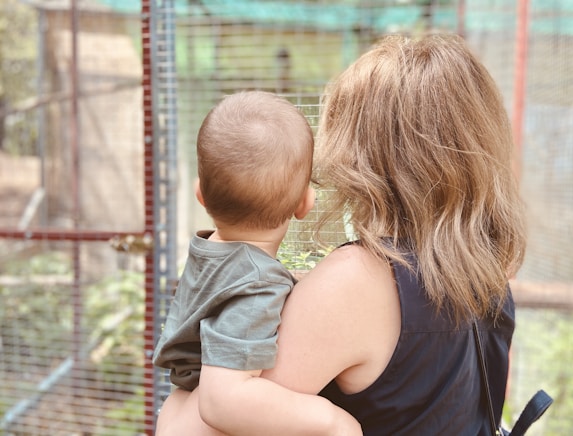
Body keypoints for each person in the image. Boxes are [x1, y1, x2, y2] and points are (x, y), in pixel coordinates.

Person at [156, 34, 526, 435]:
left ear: (362, 151)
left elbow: (194, 426)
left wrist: (177, 397)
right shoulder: (489, 273)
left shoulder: (358, 279)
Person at [153, 90, 362, 435]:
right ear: (305, 204)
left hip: (178, 405)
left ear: (200, 194)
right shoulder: (257, 286)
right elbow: (223, 400)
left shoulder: (208, 252)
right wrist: (332, 421)